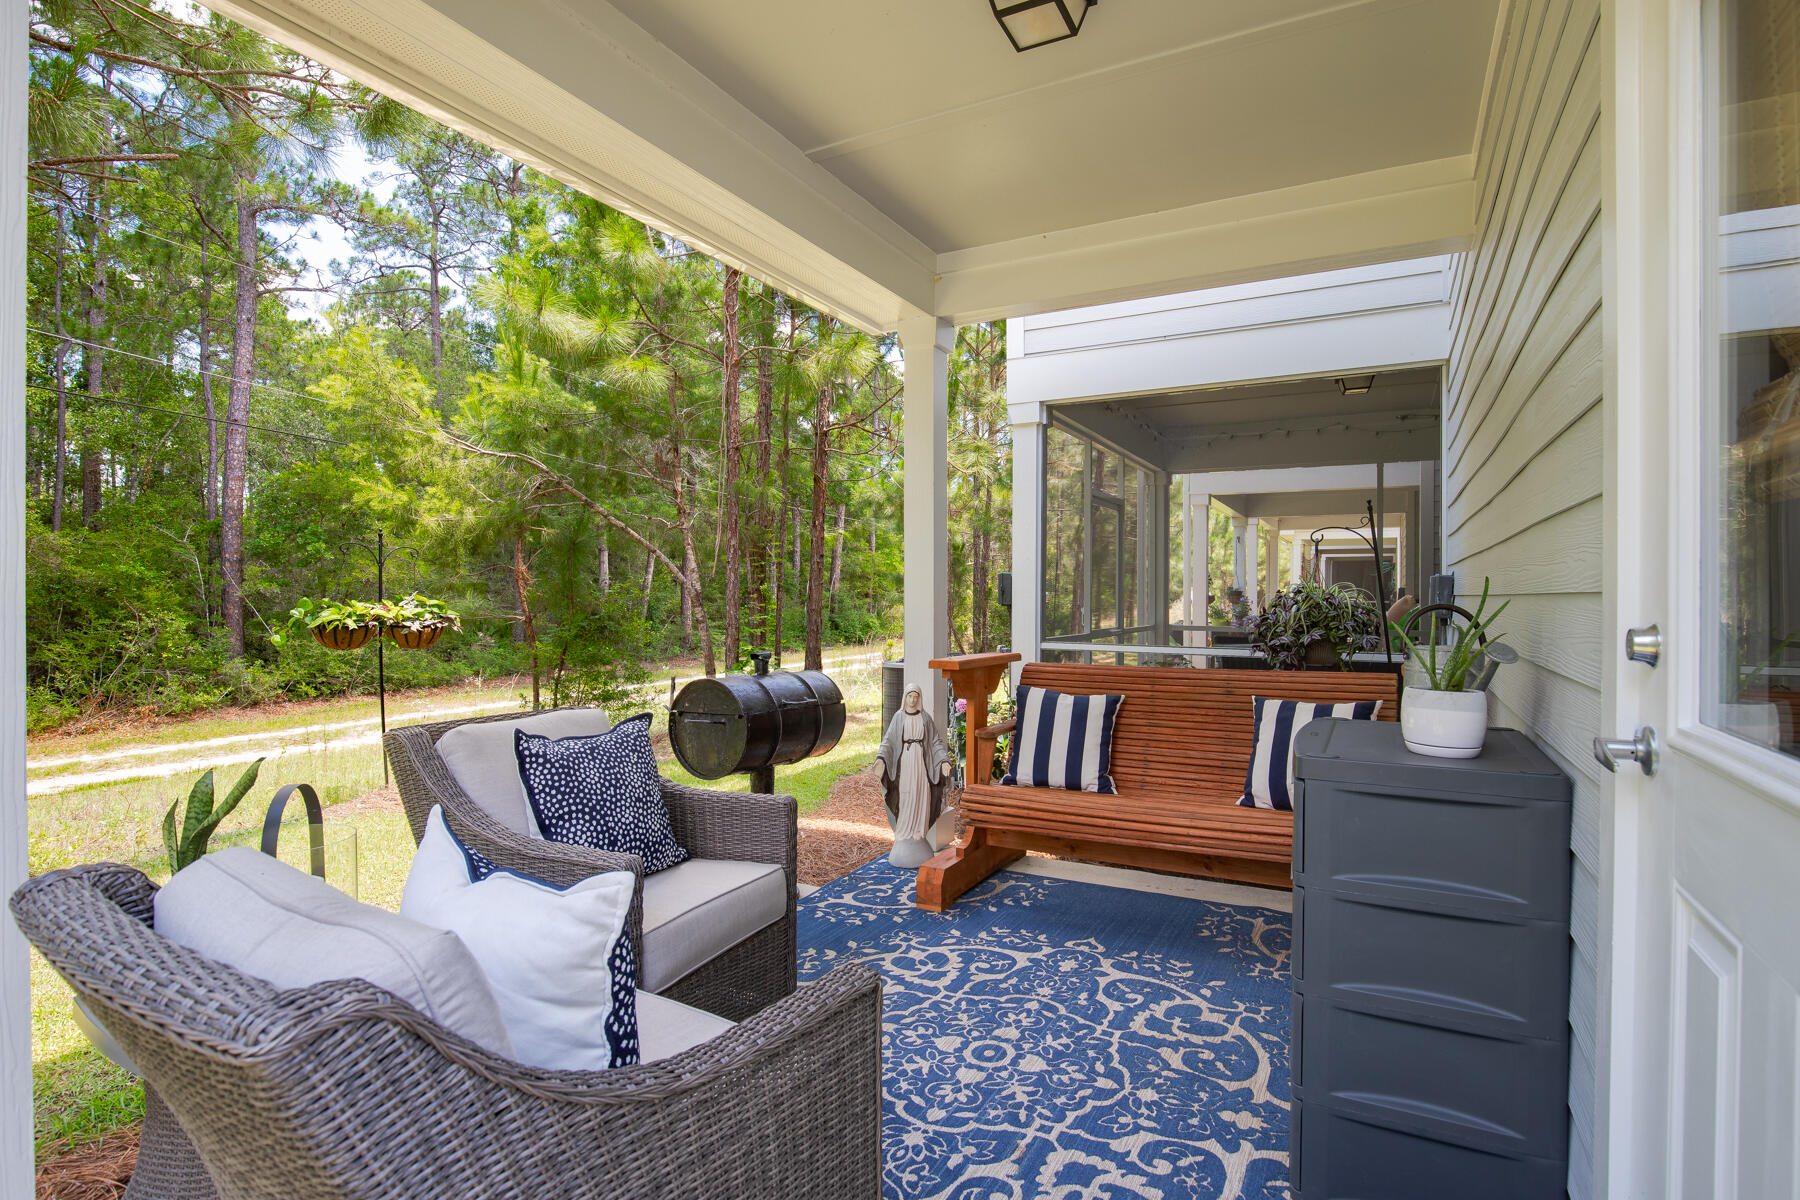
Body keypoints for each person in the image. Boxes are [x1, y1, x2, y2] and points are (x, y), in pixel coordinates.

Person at [875, 685, 952, 869]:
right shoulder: (898, 717)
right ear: (905, 697)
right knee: (906, 795)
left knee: (921, 794)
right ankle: (904, 833)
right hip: (906, 763)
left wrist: (943, 760)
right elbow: (888, 741)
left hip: (921, 763)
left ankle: (918, 831)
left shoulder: (925, 718)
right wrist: (881, 759)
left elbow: (935, 742)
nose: (913, 700)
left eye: (916, 696)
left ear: (920, 698)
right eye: (910, 696)